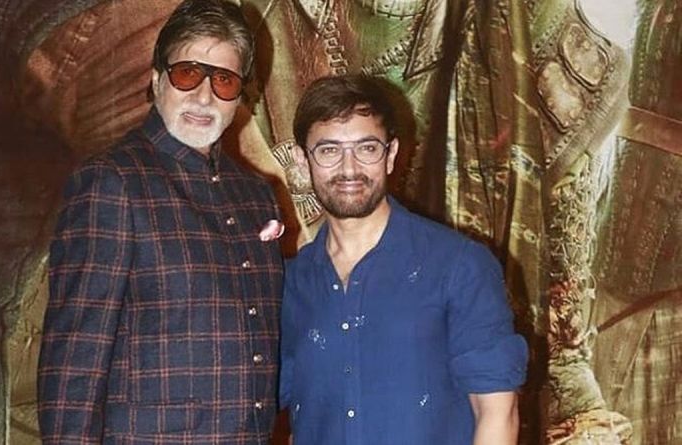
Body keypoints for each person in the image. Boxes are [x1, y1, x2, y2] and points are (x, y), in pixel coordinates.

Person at [37, 1, 285, 443]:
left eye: (224, 80)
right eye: (188, 73)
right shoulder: (113, 182)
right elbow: (74, 363)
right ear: (156, 80)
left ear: (240, 96)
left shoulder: (255, 195)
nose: (204, 97)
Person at [279, 75, 529, 444]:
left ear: (391, 154)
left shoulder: (458, 266)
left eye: (367, 148)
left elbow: (497, 413)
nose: (349, 168)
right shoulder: (289, 283)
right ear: (303, 161)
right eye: (329, 150)